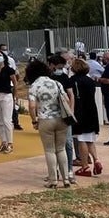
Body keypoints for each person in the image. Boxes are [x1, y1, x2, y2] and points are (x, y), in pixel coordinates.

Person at [26, 60, 70, 188]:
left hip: (45, 119)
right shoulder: (56, 83)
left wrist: (34, 120)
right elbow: (66, 100)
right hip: (61, 119)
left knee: (50, 150)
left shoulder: (34, 86)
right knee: (61, 149)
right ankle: (66, 179)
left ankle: (53, 180)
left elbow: (32, 106)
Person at [70, 58, 103, 176]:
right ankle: (96, 160)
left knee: (81, 139)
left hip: (80, 111)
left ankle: (84, 166)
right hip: (92, 110)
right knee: (90, 139)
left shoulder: (73, 80)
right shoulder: (90, 80)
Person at [47, 54, 76, 183]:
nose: (60, 69)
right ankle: (55, 172)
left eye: (61, 67)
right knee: (53, 145)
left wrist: (71, 111)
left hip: (64, 114)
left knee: (67, 143)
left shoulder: (64, 77)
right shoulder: (47, 79)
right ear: (51, 65)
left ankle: (69, 170)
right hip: (51, 115)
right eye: (58, 67)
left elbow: (71, 94)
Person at [0, 48, 18, 154]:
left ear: (4, 58)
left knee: (7, 120)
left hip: (6, 95)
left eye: (0, 55)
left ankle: (10, 143)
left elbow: (15, 83)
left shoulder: (9, 70)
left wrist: (15, 96)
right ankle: (3, 142)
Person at [0, 44, 24, 131]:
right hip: (0, 86)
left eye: (5, 49)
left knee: (13, 104)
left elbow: (15, 72)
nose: (4, 51)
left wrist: (15, 82)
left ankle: (15, 122)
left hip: (10, 85)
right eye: (3, 49)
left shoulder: (11, 60)